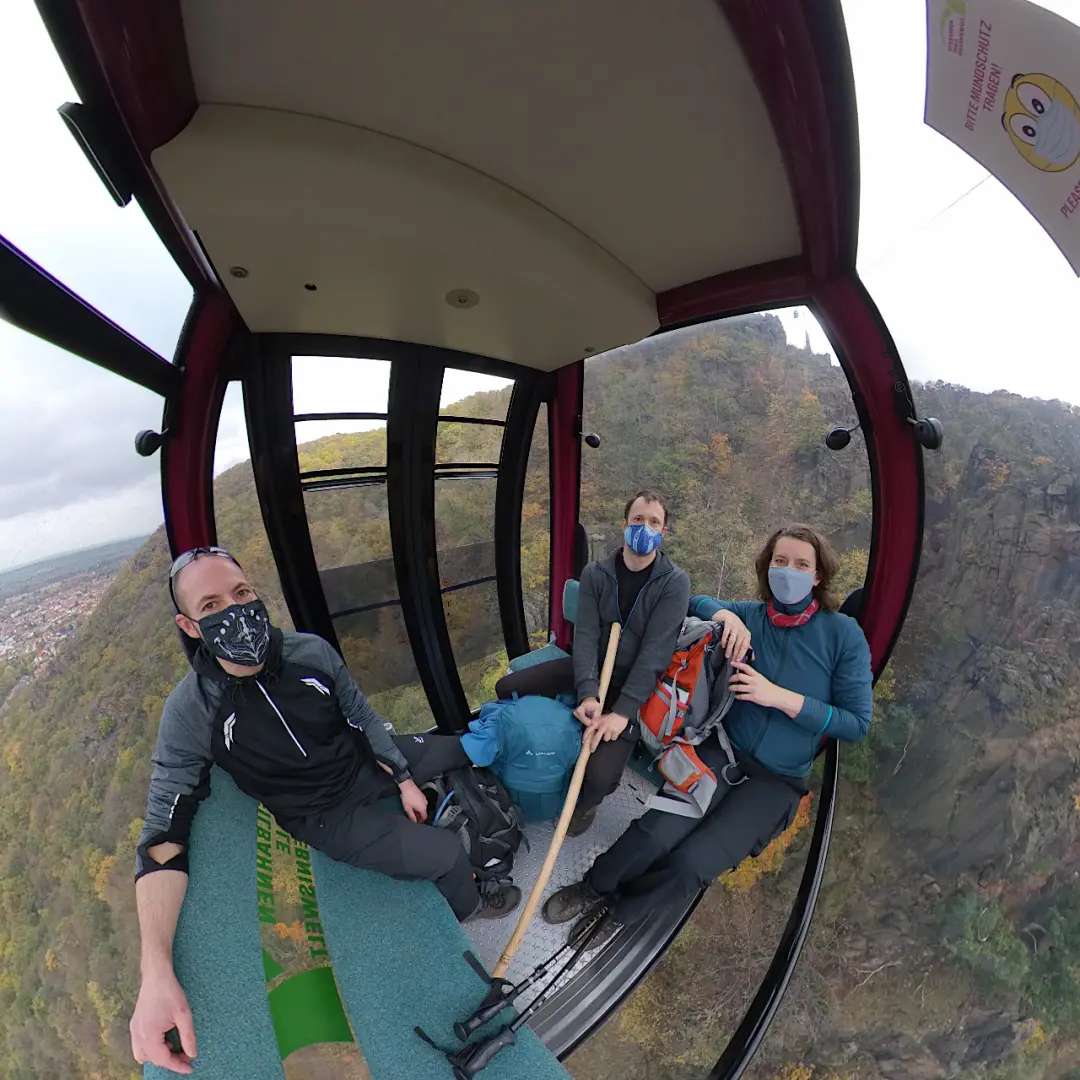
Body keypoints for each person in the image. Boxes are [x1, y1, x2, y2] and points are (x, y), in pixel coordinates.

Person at [129, 547, 520, 1074]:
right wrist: (154, 970)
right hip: (324, 814)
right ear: (190, 625)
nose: (236, 611)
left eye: (242, 593)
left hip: (365, 764)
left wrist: (403, 777)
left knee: (460, 748)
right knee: (444, 853)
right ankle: (470, 906)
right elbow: (162, 835)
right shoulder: (193, 709)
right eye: (212, 603)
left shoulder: (309, 653)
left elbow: (360, 714)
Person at [542, 523, 873, 948]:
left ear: (818, 575)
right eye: (780, 561)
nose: (789, 571)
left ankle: (621, 913)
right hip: (722, 752)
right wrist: (723, 614)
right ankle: (595, 886)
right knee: (655, 831)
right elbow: (694, 599)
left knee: (692, 863)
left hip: (776, 782)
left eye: (801, 564)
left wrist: (780, 698)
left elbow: (855, 722)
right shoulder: (751, 618)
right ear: (767, 567)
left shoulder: (842, 635)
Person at [495, 491, 690, 835]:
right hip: (590, 668)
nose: (645, 528)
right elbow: (584, 636)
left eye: (654, 522)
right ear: (624, 525)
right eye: (638, 520)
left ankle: (584, 806)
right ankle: (549, 732)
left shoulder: (673, 583)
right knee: (507, 687)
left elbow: (655, 655)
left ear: (664, 532)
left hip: (632, 688)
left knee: (599, 779)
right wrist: (587, 691)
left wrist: (621, 713)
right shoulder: (596, 574)